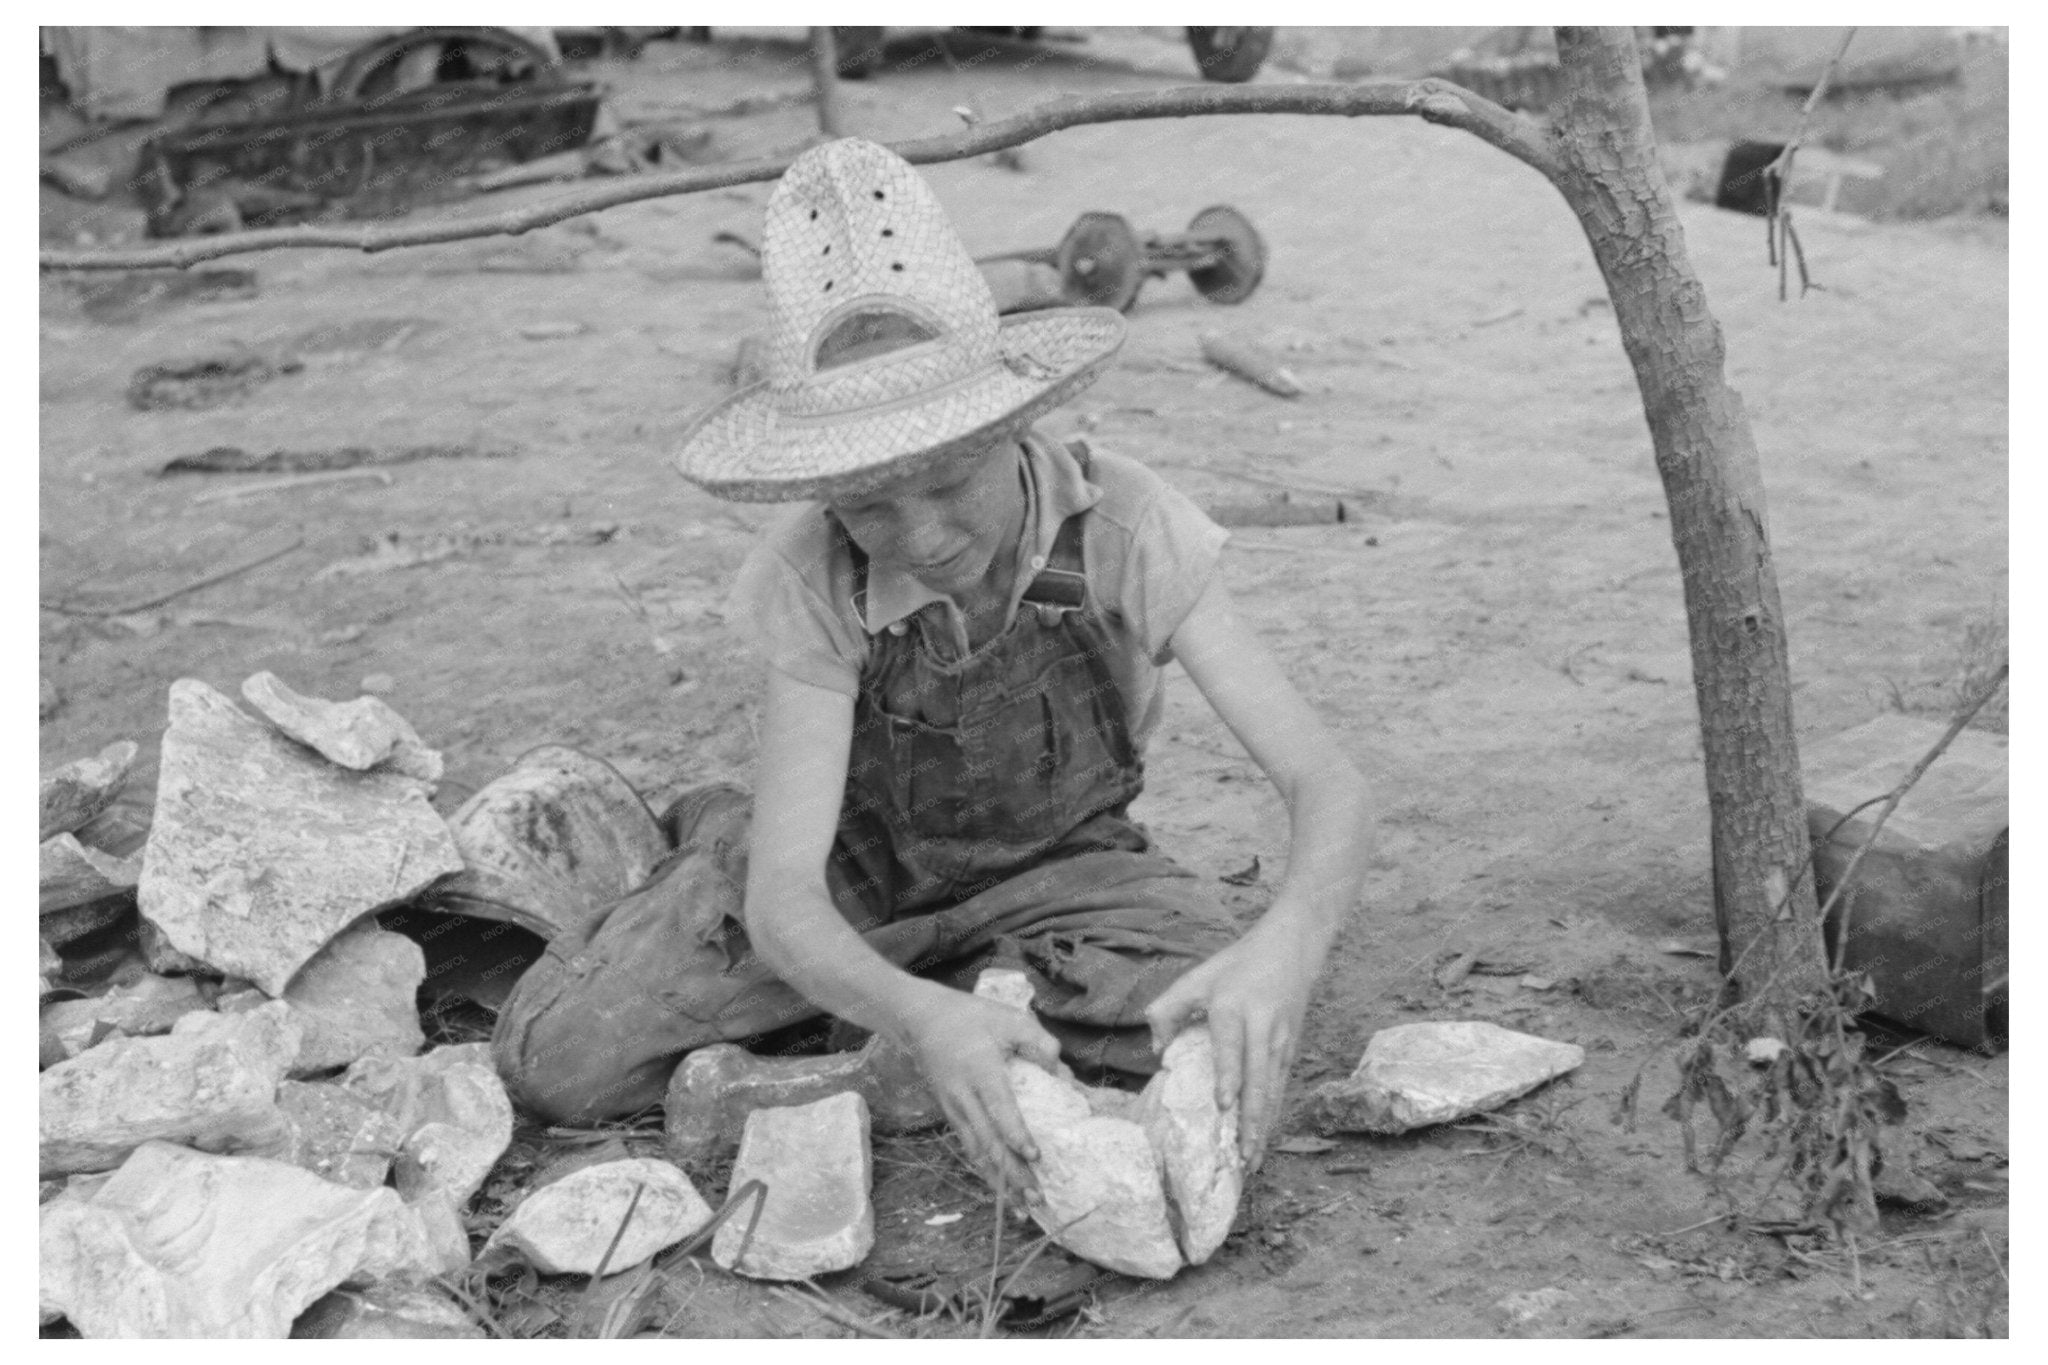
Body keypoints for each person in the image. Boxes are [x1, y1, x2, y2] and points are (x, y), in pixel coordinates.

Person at [489, 138, 1373, 1189]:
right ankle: (870, 967)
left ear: (1014, 421)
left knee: (1210, 1027)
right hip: (849, 876)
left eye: (951, 479)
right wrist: (916, 1015)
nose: (922, 536)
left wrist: (1286, 946)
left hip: (1064, 873)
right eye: (868, 504)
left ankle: (942, 1010)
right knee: (559, 1064)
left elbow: (1327, 784)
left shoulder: (1125, 525)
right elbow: (783, 900)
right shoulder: (812, 573)